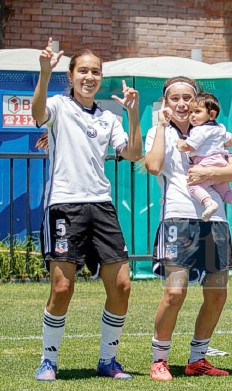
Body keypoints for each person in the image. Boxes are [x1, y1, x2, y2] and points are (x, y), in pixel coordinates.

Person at [32, 38, 142, 381]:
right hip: (65, 206)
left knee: (122, 285)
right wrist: (44, 73)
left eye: (95, 71)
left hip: (102, 207)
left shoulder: (109, 118)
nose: (89, 77)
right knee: (63, 288)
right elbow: (37, 115)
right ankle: (48, 361)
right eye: (83, 70)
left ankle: (108, 360)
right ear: (71, 74)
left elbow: (134, 153)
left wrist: (134, 114)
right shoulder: (58, 106)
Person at [143, 76, 232, 381]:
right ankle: (159, 358)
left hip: (215, 220)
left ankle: (198, 359)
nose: (183, 104)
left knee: (216, 293)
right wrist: (160, 126)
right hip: (177, 217)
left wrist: (207, 170)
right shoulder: (156, 132)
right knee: (175, 292)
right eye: (175, 99)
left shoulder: (211, 131)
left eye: (188, 98)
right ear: (166, 103)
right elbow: (153, 166)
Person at [176, 92, 232, 221]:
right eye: (190, 112)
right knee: (225, 192)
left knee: (193, 185)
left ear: (212, 115)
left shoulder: (199, 130)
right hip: (221, 162)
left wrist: (180, 144)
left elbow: (188, 146)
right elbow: (230, 141)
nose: (192, 116)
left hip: (206, 163)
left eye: (197, 112)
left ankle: (208, 203)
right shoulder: (220, 128)